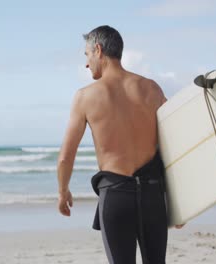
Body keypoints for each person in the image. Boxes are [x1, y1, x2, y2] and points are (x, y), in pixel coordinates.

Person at [57, 25, 182, 264]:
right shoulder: (151, 89)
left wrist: (63, 192)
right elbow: (173, 146)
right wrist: (180, 203)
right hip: (152, 195)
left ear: (98, 50)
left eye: (86, 55)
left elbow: (65, 157)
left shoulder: (85, 97)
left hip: (116, 198)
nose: (86, 63)